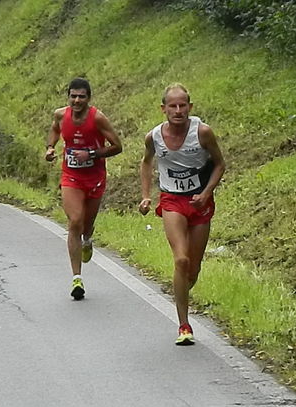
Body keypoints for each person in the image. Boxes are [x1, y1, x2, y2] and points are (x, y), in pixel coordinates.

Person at [139, 83, 225, 345]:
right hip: (171, 201)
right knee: (181, 260)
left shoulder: (202, 132)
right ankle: (184, 325)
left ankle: (180, 295)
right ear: (163, 109)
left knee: (193, 270)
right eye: (172, 106)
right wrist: (145, 195)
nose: (178, 111)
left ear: (190, 107)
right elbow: (146, 162)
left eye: (182, 105)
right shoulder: (153, 137)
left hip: (199, 203)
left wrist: (207, 192)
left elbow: (220, 164)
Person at [45, 78, 123, 300]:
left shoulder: (97, 118)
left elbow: (118, 146)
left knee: (86, 226)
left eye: (82, 97)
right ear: (68, 97)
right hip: (71, 176)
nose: (77, 100)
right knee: (75, 221)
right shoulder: (61, 115)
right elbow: (54, 131)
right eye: (73, 96)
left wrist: (90, 154)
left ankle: (87, 239)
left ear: (89, 98)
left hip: (95, 178)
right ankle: (76, 278)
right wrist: (51, 148)